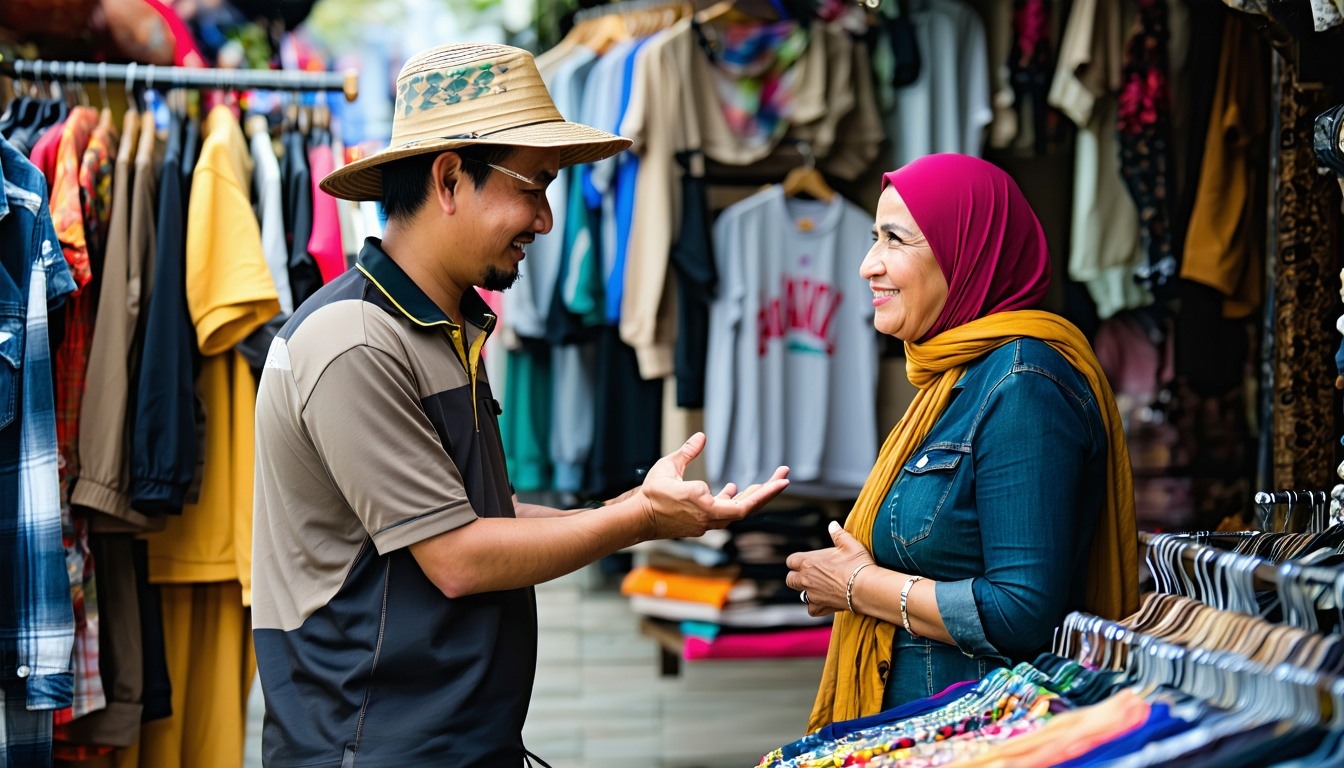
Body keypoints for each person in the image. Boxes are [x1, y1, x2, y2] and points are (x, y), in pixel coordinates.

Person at [251, 43, 790, 767]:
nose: (545, 219)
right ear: (449, 179)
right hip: (372, 745)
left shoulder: (437, 326)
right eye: (532, 186)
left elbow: (481, 512)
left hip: (445, 738)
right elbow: (458, 557)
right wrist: (641, 518)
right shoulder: (355, 342)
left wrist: (635, 509)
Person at [785, 153, 1139, 732]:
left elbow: (1023, 610)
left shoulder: (1023, 385)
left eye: (894, 240)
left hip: (976, 734)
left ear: (966, 251)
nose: (867, 264)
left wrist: (859, 586)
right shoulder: (954, 377)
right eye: (874, 237)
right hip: (925, 727)